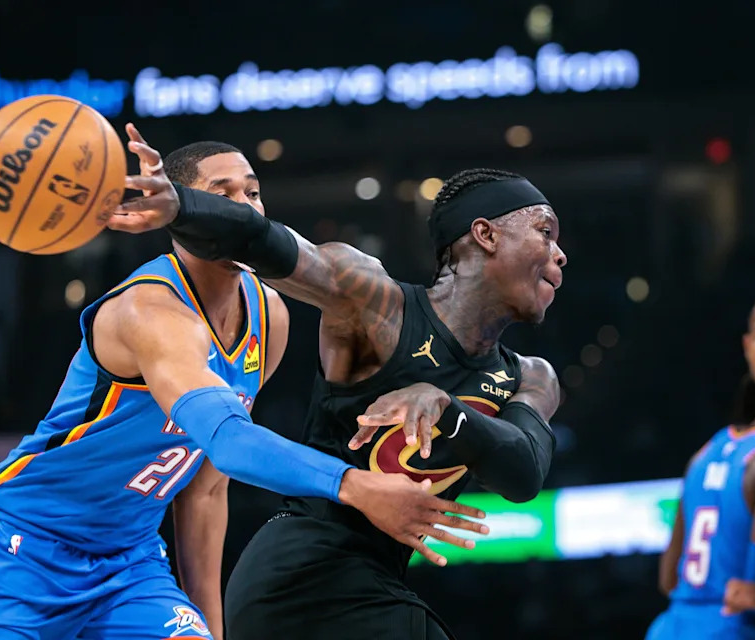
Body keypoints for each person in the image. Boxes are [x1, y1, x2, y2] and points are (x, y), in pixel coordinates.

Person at [0, 137, 486, 640]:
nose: (245, 207)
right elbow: (226, 439)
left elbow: (205, 490)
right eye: (223, 193)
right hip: (23, 551)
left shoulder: (269, 315)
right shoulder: (150, 312)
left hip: (130, 565)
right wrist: (355, 486)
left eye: (253, 191)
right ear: (182, 213)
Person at [110, 126, 565, 639]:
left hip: (378, 582)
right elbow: (262, 240)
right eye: (545, 232)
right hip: (301, 573)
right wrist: (182, 208)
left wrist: (445, 408)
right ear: (486, 235)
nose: (560, 254)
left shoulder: (531, 376)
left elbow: (523, 472)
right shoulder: (376, 303)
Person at [647, 295, 755, 640]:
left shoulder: (706, 452)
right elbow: (749, 593)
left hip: (672, 628)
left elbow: (669, 580)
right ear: (746, 346)